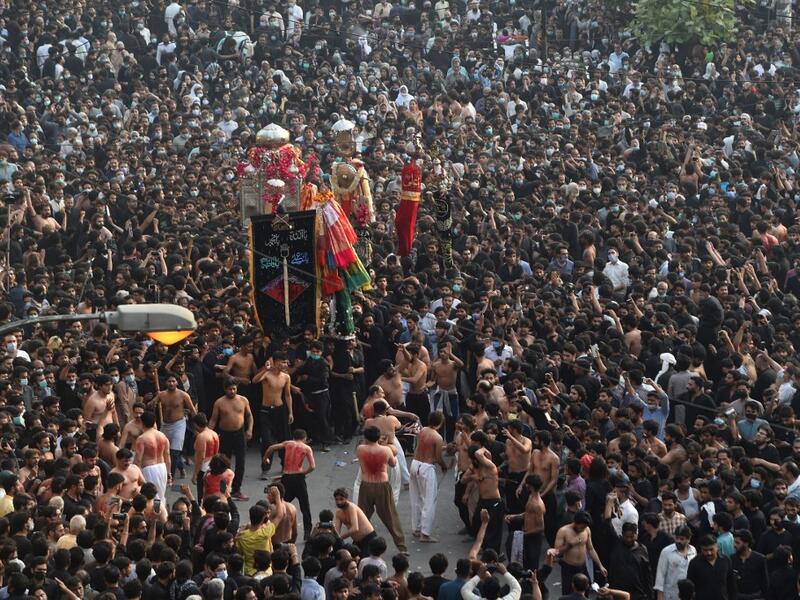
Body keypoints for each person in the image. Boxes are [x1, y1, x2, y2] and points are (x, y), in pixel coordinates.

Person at [356, 426, 407, 553]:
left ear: (366, 437)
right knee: (391, 516)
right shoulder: (386, 450)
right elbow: (393, 463)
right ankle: (401, 546)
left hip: (366, 484)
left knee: (362, 516)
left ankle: (357, 544)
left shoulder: (360, 449)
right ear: (378, 437)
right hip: (382, 484)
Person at [264, 429, 315, 539]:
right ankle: (307, 532)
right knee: (305, 506)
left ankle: (270, 524)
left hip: (286, 477)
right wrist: (303, 473)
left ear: (294, 437)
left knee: (280, 503)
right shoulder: (306, 448)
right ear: (304, 439)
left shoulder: (288, 443)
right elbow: (312, 466)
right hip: (298, 478)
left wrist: (265, 458)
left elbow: (271, 448)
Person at [209, 378, 254, 501]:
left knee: (241, 463)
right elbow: (213, 420)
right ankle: (223, 490)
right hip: (225, 435)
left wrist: (249, 429)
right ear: (225, 389)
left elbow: (249, 416)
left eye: (234, 388)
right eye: (230, 389)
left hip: (239, 434)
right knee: (224, 464)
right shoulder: (219, 402)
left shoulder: (243, 400)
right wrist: (208, 434)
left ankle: (236, 490)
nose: (232, 391)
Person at [252, 351, 293, 477]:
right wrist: (265, 368)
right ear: (275, 362)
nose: (284, 365)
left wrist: (290, 412)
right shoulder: (267, 374)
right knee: (267, 440)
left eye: (286, 362)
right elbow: (254, 380)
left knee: (284, 440)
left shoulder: (286, 377)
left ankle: (285, 466)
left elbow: (287, 394)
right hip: (266, 411)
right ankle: (265, 468)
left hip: (280, 410)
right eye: (282, 362)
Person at [409, 410, 448, 543]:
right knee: (429, 501)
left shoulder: (423, 430)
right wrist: (444, 466)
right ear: (440, 423)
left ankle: (416, 528)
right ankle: (425, 534)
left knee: (416, 498)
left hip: (415, 464)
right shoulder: (438, 437)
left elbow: (426, 447)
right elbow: (437, 457)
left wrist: (444, 448)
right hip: (426, 468)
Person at [154, 373, 196, 479]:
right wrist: (150, 401)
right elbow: (152, 404)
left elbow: (192, 410)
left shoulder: (183, 395)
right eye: (169, 381)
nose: (171, 383)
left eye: (173, 381)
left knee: (174, 452)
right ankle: (180, 467)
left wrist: (197, 426)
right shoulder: (161, 395)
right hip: (165, 425)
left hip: (179, 424)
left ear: (177, 382)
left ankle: (170, 476)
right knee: (163, 451)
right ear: (166, 383)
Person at [554, 511, 607, 593]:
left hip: (582, 567)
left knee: (585, 592)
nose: (583, 529)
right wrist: (569, 545)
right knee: (568, 592)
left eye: (585, 527)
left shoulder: (587, 530)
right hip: (569, 568)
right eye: (581, 527)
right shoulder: (563, 531)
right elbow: (556, 552)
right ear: (575, 523)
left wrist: (600, 566)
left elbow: (591, 549)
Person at [505, 474, 546, 571]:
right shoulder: (531, 497)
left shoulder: (537, 505)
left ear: (530, 486)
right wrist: (514, 516)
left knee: (531, 567)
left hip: (533, 538)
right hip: (527, 535)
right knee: (522, 563)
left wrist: (525, 535)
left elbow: (541, 527)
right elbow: (528, 513)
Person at [133, 411, 170, 504]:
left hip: (149, 469)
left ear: (142, 422)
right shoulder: (163, 436)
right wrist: (169, 473)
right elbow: (167, 456)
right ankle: (162, 515)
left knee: (150, 497)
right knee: (160, 496)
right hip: (162, 468)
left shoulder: (142, 439)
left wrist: (135, 475)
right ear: (154, 422)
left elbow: (138, 460)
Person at [686, 535, 737, 600]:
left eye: (711, 549)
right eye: (705, 550)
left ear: (717, 547)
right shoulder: (694, 563)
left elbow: (731, 585)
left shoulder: (726, 561)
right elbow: (689, 587)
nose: (709, 553)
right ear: (701, 549)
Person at [655, 526, 697, 600]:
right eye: (677, 538)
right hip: (671, 595)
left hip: (688, 595)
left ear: (688, 539)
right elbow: (660, 575)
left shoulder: (693, 551)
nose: (678, 541)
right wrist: (660, 596)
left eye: (682, 539)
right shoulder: (666, 552)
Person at [191, 413, 220, 500]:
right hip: (213, 465)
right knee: (211, 491)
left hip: (204, 467)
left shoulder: (201, 437)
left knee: (202, 494)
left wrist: (195, 474)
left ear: (196, 424)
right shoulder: (214, 433)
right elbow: (216, 452)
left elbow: (201, 457)